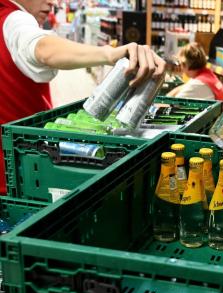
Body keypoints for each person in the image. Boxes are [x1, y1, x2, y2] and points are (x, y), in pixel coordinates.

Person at [0, 0, 165, 194]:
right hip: (22, 175)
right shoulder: (12, 18)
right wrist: (110, 53)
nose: (52, 2)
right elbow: (41, 49)